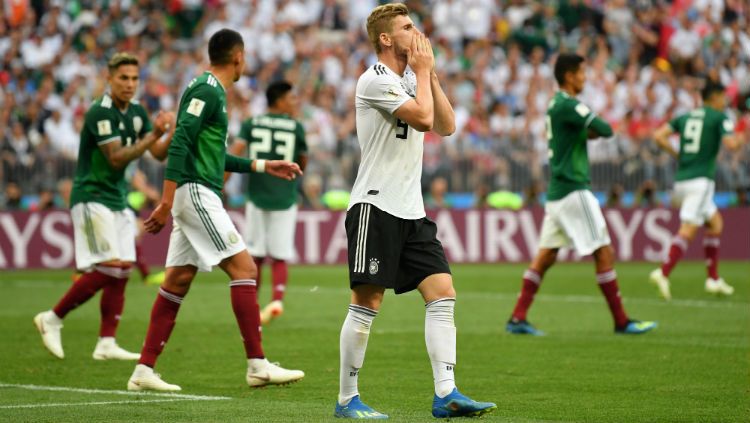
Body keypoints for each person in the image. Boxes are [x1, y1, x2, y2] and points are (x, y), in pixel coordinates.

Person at [334, 4, 496, 419]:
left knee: (442, 292)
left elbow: (446, 125)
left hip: (411, 209)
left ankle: (447, 394)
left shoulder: (412, 77)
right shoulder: (374, 80)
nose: (417, 31)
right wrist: (422, 74)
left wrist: (431, 73)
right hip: (375, 204)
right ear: (386, 39)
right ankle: (347, 399)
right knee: (367, 302)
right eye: (407, 27)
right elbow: (423, 119)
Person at [126, 29, 304, 392]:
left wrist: (262, 165)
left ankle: (143, 369)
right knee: (245, 268)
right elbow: (179, 141)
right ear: (238, 57)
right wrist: (165, 200)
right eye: (246, 56)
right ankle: (257, 365)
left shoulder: (210, 91)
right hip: (195, 192)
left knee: (177, 280)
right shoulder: (207, 90)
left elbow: (214, 155)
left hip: (195, 189)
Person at [33, 53, 174, 360]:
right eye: (123, 78)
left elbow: (159, 155)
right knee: (109, 266)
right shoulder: (100, 111)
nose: (130, 84)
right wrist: (153, 135)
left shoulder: (137, 112)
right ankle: (52, 318)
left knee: (123, 269)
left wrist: (168, 133)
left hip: (117, 198)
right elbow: (116, 157)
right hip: (91, 196)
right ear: (109, 79)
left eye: (135, 78)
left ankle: (106, 342)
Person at [505, 53, 657, 337]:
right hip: (574, 189)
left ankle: (517, 318)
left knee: (545, 257)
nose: (585, 78)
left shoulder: (554, 105)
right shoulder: (569, 104)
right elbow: (605, 129)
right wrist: (590, 128)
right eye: (582, 72)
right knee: (603, 251)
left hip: (557, 192)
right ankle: (622, 321)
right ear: (569, 75)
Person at [648, 82, 745, 300]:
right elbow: (730, 144)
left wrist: (677, 155)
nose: (725, 102)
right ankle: (663, 272)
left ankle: (712, 278)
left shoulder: (685, 117)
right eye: (723, 97)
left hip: (682, 180)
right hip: (700, 182)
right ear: (716, 97)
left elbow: (658, 135)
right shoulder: (719, 117)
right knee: (689, 228)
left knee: (715, 223)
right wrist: (741, 138)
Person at [229, 80, 308, 325]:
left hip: (257, 193)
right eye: (291, 98)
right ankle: (276, 299)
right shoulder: (295, 127)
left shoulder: (252, 122)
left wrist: (222, 179)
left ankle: (253, 301)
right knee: (280, 254)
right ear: (280, 100)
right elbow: (303, 161)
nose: (294, 102)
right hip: (284, 194)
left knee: (256, 255)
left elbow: (236, 152)